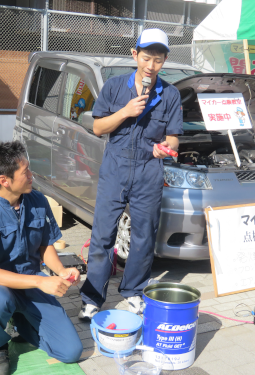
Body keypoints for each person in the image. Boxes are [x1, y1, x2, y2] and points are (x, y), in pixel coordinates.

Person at [78, 28, 183, 320]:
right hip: (116, 168)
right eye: (147, 57)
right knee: (102, 235)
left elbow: (174, 137)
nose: (151, 66)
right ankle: (92, 298)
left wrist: (166, 147)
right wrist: (125, 111)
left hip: (149, 171)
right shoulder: (113, 88)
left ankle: (134, 291)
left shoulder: (170, 94)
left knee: (143, 236)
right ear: (135, 55)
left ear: (164, 61)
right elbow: (98, 128)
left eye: (158, 60)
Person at [0, 141, 83, 375]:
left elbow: (45, 246)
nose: (31, 176)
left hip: (31, 283)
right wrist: (41, 281)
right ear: (4, 181)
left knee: (70, 352)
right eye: (25, 172)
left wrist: (60, 271)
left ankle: (19, 322)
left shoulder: (37, 200)